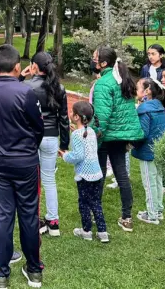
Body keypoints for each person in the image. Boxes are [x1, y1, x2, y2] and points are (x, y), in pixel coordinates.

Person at [0, 45, 44, 289]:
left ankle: (3, 274)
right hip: (24, 161)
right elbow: (38, 128)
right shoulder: (25, 92)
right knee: (28, 214)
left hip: (0, 160)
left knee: (4, 215)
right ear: (18, 67)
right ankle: (31, 270)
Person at [91, 46, 144, 232]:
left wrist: (93, 135)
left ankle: (95, 214)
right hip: (120, 137)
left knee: (98, 176)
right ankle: (127, 217)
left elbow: (101, 117)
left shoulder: (103, 84)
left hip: (106, 136)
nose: (93, 61)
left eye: (95, 58)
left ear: (103, 63)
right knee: (122, 175)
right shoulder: (122, 80)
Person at [23, 52, 69, 237]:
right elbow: (63, 118)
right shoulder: (59, 87)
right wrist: (64, 144)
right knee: (49, 180)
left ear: (34, 66)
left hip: (31, 137)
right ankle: (53, 221)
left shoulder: (26, 86)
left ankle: (35, 220)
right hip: (51, 137)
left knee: (31, 180)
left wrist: (21, 76)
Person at [60, 101, 108, 243]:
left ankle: (86, 231)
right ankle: (102, 231)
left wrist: (64, 155)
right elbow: (85, 144)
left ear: (76, 117)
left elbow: (78, 156)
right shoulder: (91, 131)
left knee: (84, 203)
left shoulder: (77, 135)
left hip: (84, 176)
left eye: (71, 112)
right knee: (96, 202)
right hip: (96, 173)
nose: (69, 113)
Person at [132, 78, 165, 225]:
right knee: (157, 180)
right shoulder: (158, 106)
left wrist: (131, 143)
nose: (136, 90)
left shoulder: (145, 109)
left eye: (138, 87)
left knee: (149, 182)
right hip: (159, 148)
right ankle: (158, 210)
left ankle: (152, 214)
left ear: (147, 90)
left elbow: (142, 133)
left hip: (148, 151)